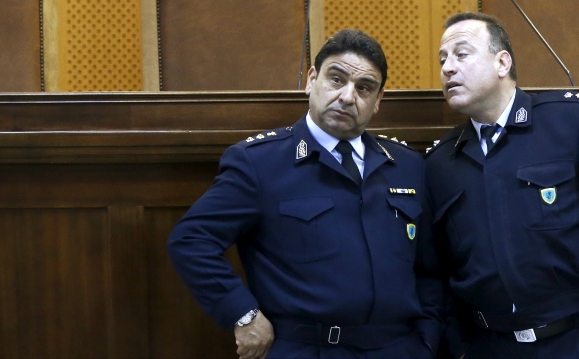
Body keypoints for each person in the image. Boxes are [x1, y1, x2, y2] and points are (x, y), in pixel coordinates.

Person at [168, 29, 440, 359]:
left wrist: (428, 339)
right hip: (308, 349)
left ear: (378, 100)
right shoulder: (260, 162)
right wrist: (242, 314)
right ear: (312, 80)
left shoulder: (407, 165)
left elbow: (429, 267)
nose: (347, 96)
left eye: (364, 88)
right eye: (336, 79)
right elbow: (191, 239)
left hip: (398, 349)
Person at [425, 13, 579, 358]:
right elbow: (438, 269)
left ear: (502, 62)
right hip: (492, 346)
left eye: (461, 54)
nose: (447, 68)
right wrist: (459, 345)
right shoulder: (441, 162)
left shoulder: (572, 122)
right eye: (442, 59)